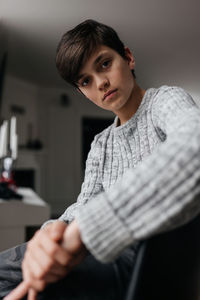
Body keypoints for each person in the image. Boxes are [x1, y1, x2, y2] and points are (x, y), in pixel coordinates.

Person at [2, 19, 200, 300]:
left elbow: (195, 142)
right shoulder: (101, 143)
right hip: (96, 249)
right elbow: (84, 204)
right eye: (85, 81)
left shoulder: (164, 102)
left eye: (104, 64)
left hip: (144, 255)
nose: (101, 83)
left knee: (46, 288)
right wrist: (49, 235)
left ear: (128, 57)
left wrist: (86, 230)